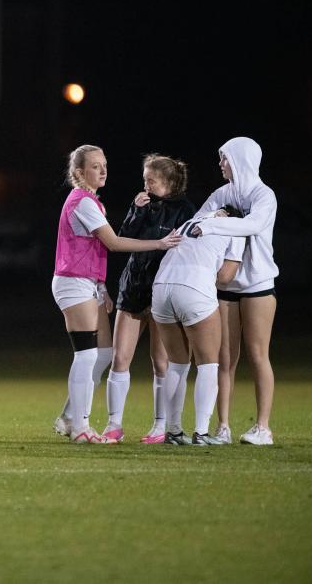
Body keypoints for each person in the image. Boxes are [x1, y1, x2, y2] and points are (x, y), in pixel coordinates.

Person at [52, 145, 181, 443]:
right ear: (79, 172)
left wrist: (100, 286)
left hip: (88, 284)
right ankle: (81, 428)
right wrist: (159, 244)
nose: (103, 170)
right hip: (73, 282)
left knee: (104, 354)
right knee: (85, 355)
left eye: (104, 164)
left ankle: (71, 416)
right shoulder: (82, 202)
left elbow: (93, 249)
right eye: (95, 166)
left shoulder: (92, 202)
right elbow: (113, 243)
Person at [102, 154, 196, 443]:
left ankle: (159, 425)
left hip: (162, 290)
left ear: (167, 182)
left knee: (160, 362)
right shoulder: (143, 205)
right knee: (120, 357)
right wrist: (135, 209)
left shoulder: (184, 210)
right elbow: (123, 237)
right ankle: (114, 425)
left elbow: (190, 247)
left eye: (150, 180)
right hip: (133, 286)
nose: (145, 185)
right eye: (144, 180)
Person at [192, 137, 278, 445]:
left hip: (257, 286)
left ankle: (263, 427)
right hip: (225, 284)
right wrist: (211, 220)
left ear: (240, 159)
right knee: (224, 359)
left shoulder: (264, 195)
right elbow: (197, 220)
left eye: (225, 158)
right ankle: (223, 427)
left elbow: (251, 225)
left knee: (258, 355)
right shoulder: (222, 193)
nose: (220, 163)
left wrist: (215, 224)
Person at [152, 208, 245, 445]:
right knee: (208, 364)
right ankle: (201, 433)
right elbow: (225, 276)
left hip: (161, 285)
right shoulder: (236, 228)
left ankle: (173, 432)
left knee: (177, 364)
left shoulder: (191, 219)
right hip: (193, 287)